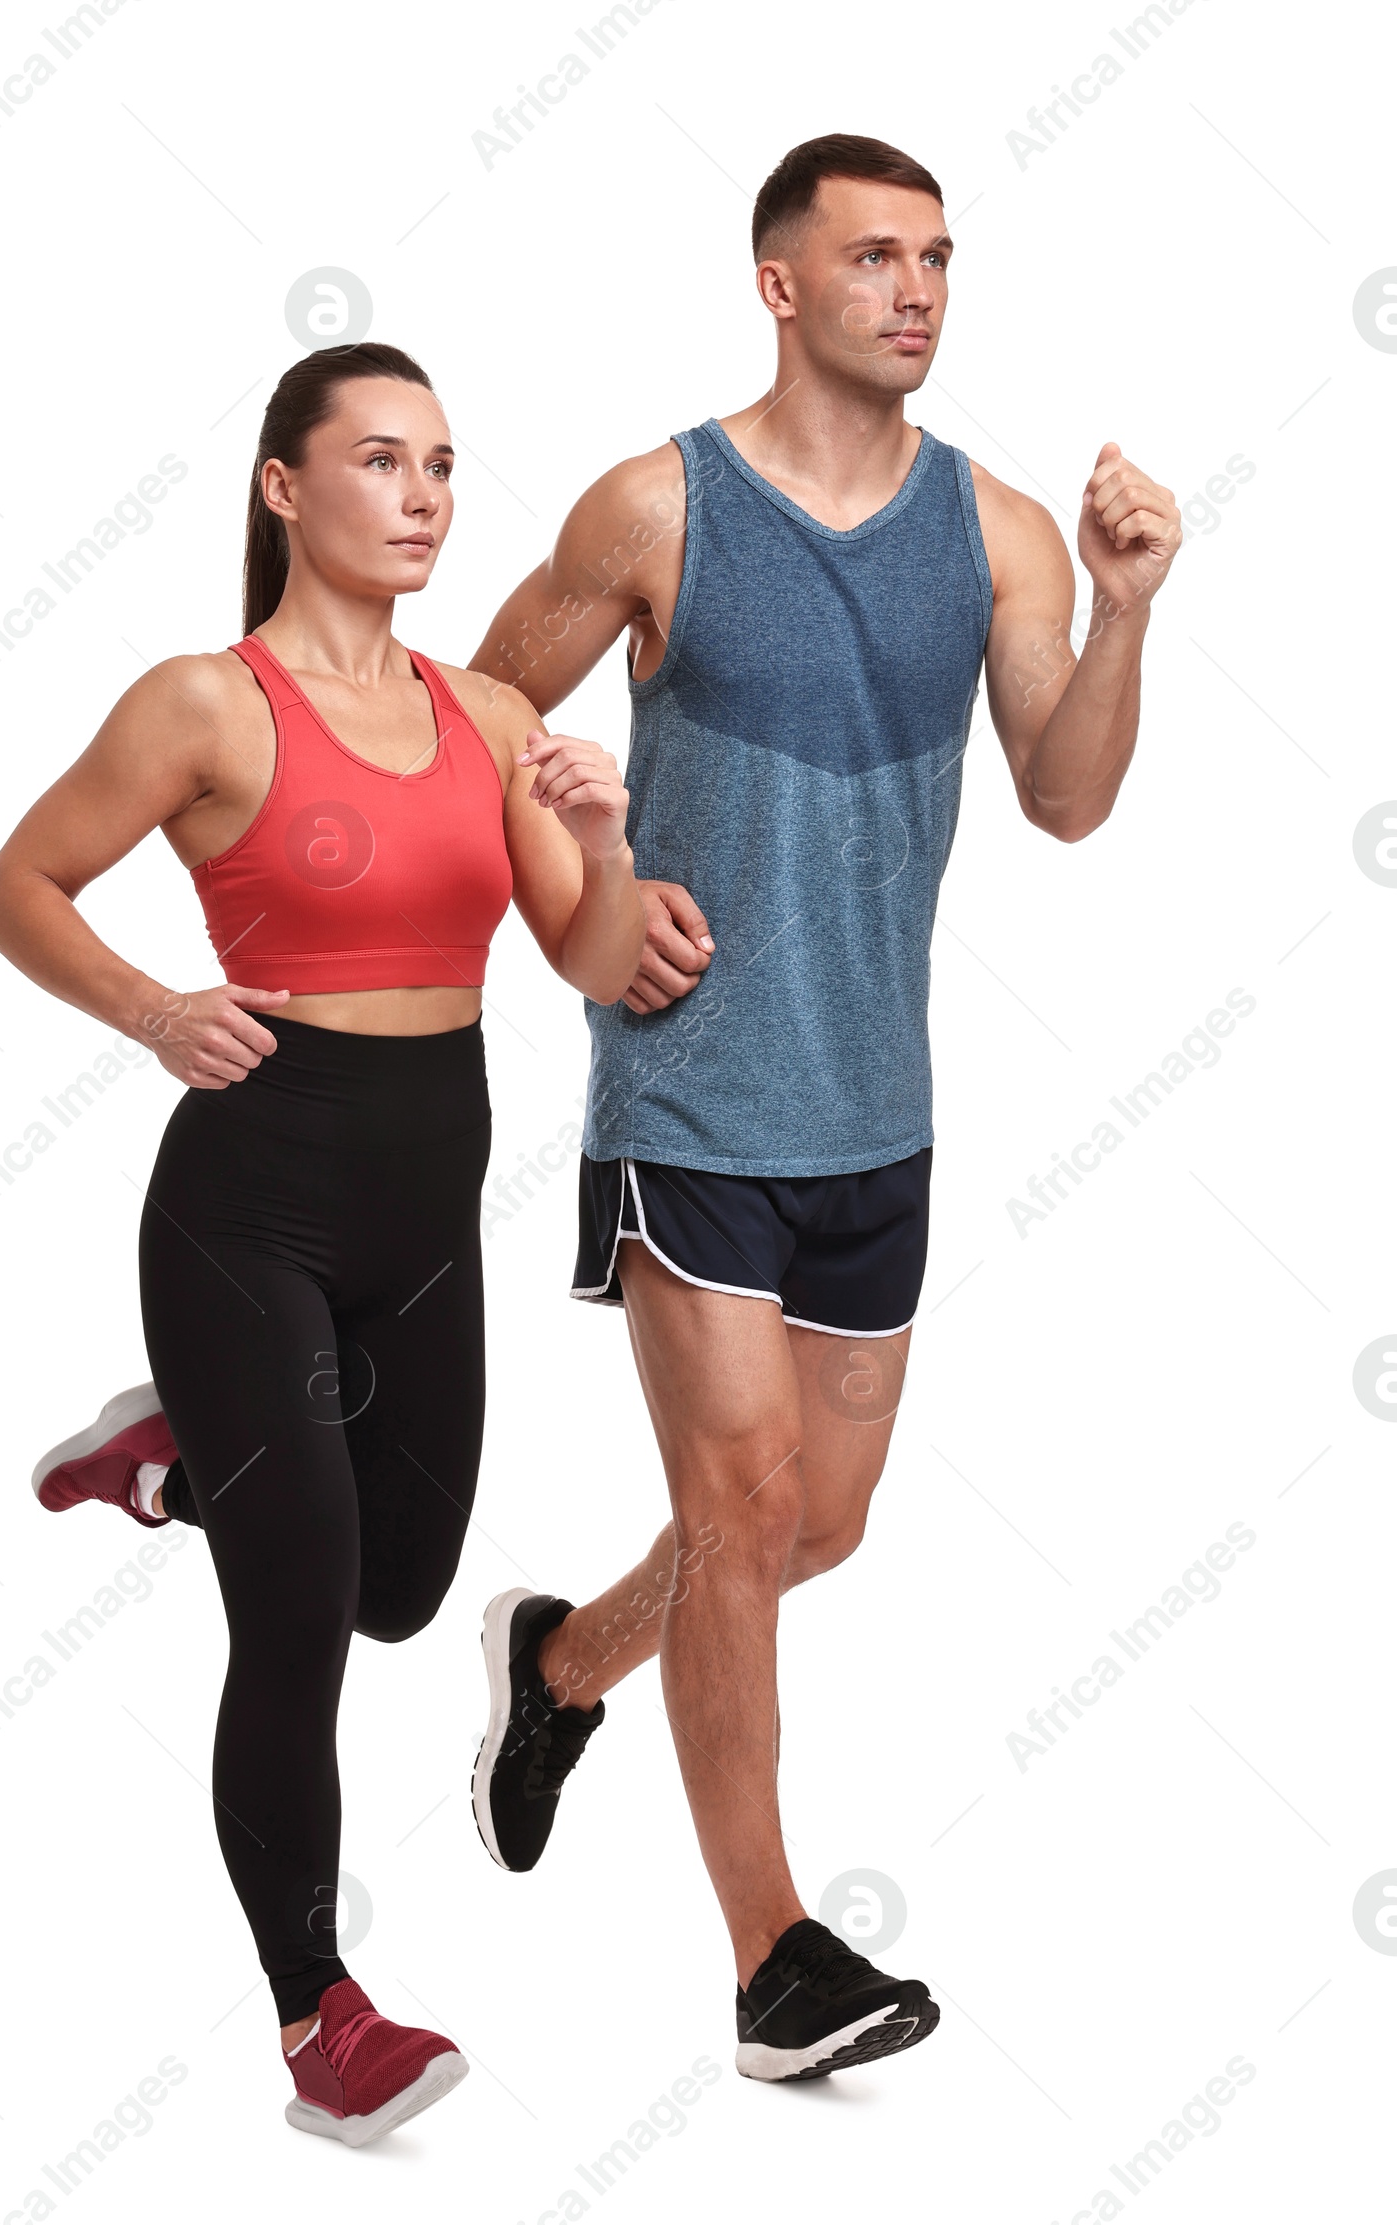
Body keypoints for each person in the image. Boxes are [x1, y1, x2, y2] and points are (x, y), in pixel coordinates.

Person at [466, 132, 1183, 2083]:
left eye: (936, 256)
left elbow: (1064, 791)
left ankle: (555, 1665)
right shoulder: (655, 506)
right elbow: (468, 722)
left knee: (805, 1534)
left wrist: (1119, 610)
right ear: (777, 284)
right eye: (871, 256)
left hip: (874, 1121)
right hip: (689, 1099)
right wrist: (592, 897)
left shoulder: (1002, 531)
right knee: (743, 1505)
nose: (915, 288)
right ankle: (772, 1961)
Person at [0, 342, 644, 2145]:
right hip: (246, 1204)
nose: (425, 494)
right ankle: (316, 2018)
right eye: (380, 460)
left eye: (442, 464)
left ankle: (176, 1462)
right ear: (285, 487)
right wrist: (148, 1007)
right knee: (299, 1624)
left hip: (426, 1213)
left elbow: (590, 961)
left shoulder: (492, 719)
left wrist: (604, 828)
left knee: (405, 1585)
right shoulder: (208, 704)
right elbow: (15, 886)